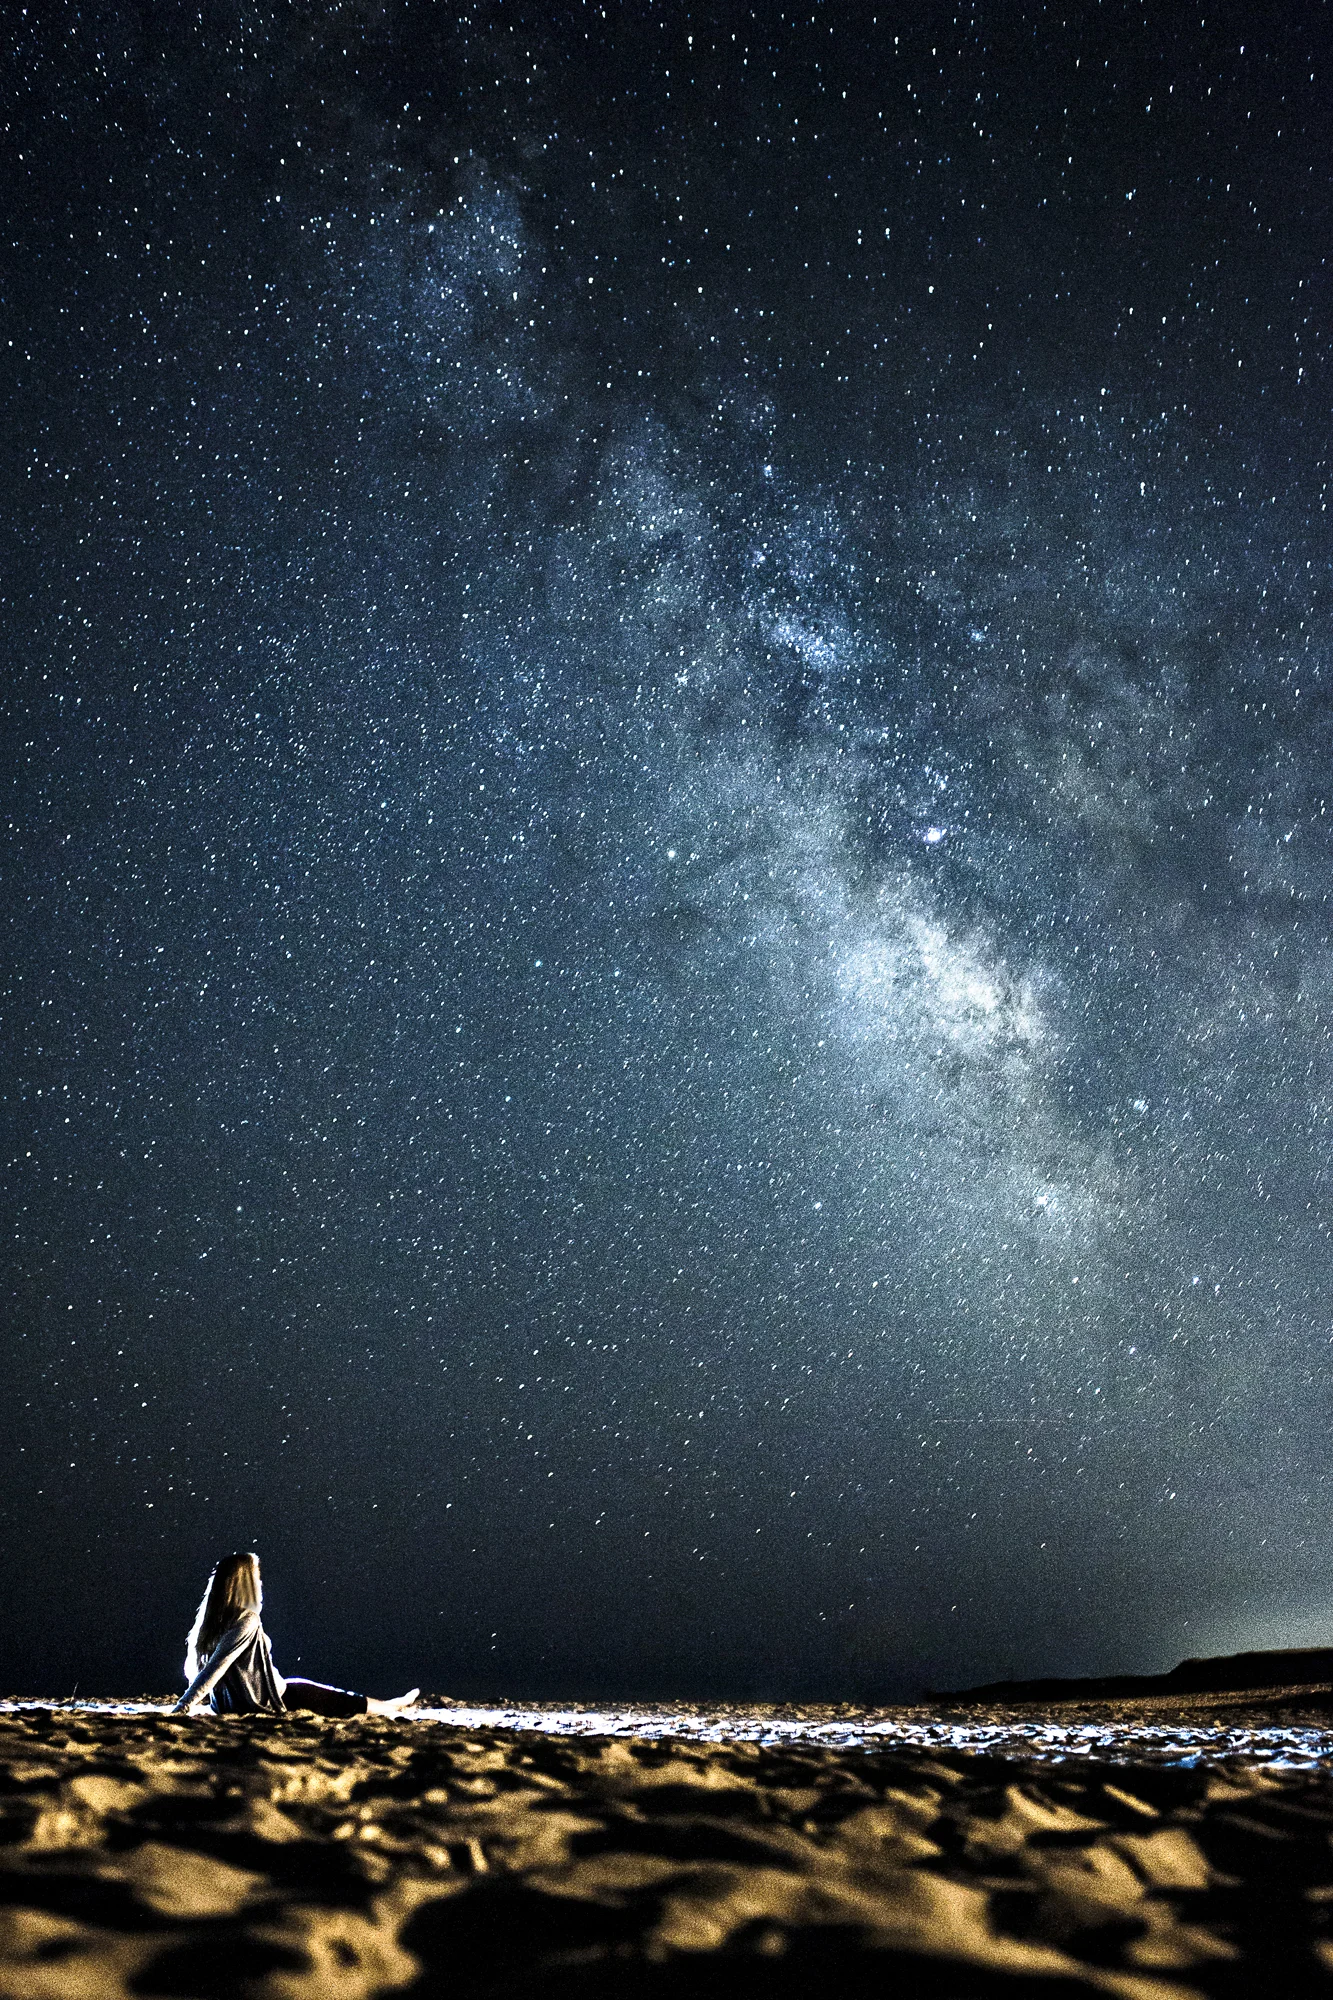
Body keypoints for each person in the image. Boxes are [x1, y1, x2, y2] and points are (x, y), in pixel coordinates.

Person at [172, 1551, 419, 1718]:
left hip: (235, 1704)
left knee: (320, 1692)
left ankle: (393, 1704)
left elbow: (206, 1668)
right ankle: (394, 1705)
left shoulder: (210, 1624)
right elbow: (215, 1667)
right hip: (275, 1699)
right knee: (339, 1701)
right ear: (245, 1583)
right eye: (257, 1578)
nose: (260, 1584)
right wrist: (182, 1708)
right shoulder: (246, 1619)